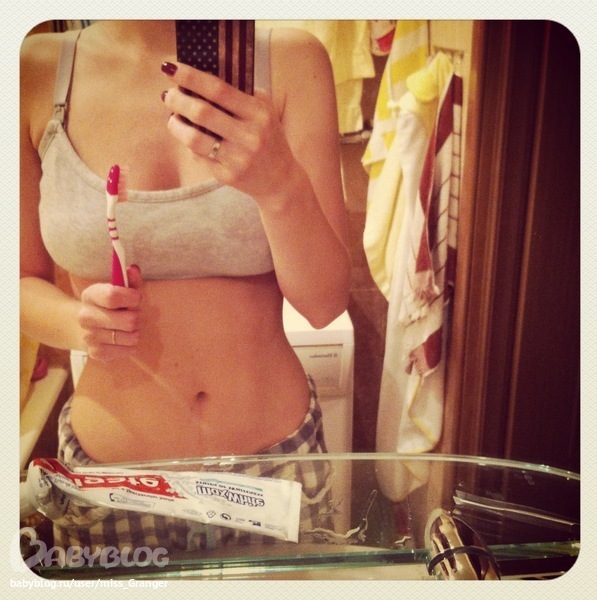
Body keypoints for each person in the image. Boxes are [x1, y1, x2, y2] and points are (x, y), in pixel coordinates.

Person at [20, 20, 350, 555]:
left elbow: (324, 303)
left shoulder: (291, 60)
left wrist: (280, 184)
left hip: (274, 468)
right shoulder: (33, 69)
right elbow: (18, 283)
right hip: (111, 483)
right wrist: (77, 323)